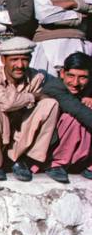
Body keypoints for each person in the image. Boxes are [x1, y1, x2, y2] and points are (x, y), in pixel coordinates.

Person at [0, 37, 59, 181]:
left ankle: (24, 159)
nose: (20, 65)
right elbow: (7, 103)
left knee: (50, 104)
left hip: (19, 133)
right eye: (14, 60)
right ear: (3, 60)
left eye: (24, 59)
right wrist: (33, 96)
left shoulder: (35, 77)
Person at [41, 52, 92, 182]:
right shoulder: (55, 87)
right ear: (62, 73)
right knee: (74, 118)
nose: (75, 83)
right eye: (71, 76)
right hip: (49, 145)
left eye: (82, 77)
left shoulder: (87, 88)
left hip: (79, 147)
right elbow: (79, 111)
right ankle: (56, 164)